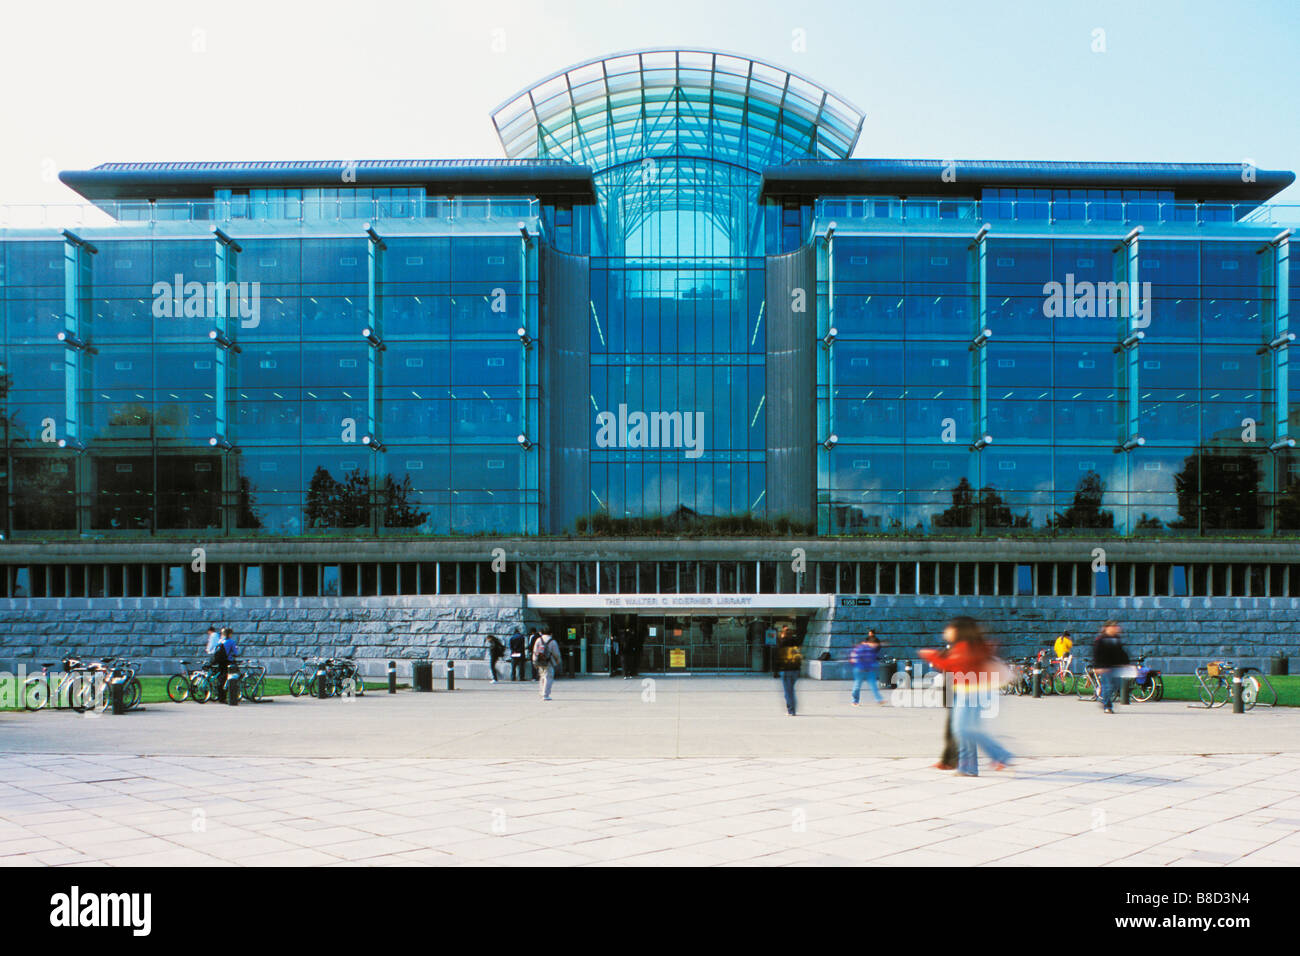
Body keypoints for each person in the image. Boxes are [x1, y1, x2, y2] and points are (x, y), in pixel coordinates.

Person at [920, 616, 1012, 777]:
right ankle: (968, 768)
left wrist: (932, 655)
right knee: (963, 730)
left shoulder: (966, 648)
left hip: (972, 692)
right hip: (965, 690)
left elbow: (952, 664)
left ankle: (1000, 754)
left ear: (958, 630)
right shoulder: (965, 646)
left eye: (950, 628)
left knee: (963, 729)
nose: (946, 631)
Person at [1092, 620, 1130, 714]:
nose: (1116, 628)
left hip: (1115, 666)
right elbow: (1096, 653)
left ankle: (1104, 697)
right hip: (1105, 667)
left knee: (1116, 686)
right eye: (1113, 626)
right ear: (1107, 628)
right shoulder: (1101, 639)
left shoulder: (1116, 638)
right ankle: (1107, 706)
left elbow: (1121, 652)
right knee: (1108, 686)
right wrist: (1097, 666)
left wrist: (1126, 663)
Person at [850, 632, 884, 706]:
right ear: (870, 643)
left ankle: (879, 700)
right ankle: (855, 701)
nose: (875, 646)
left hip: (869, 670)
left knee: (873, 685)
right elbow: (854, 658)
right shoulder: (861, 648)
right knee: (857, 686)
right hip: (860, 669)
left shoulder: (872, 650)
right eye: (874, 644)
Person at [775, 626, 803, 716]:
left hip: (785, 670)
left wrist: (776, 670)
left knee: (788, 691)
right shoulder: (796, 642)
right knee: (791, 689)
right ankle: (792, 708)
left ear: (783, 633)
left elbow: (778, 657)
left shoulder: (782, 643)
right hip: (795, 669)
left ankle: (791, 710)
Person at [532, 626, 561, 701]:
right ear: (551, 633)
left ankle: (541, 693)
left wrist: (534, 661)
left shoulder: (538, 640)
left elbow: (535, 651)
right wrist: (558, 661)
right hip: (549, 662)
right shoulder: (552, 641)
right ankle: (545, 695)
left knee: (542, 677)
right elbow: (556, 653)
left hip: (539, 661)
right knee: (548, 678)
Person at [212, 627, 239, 703]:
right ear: (230, 634)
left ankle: (219, 696)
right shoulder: (231, 642)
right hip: (228, 662)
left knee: (221, 678)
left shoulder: (220, 641)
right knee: (230, 678)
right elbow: (236, 653)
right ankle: (225, 697)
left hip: (220, 662)